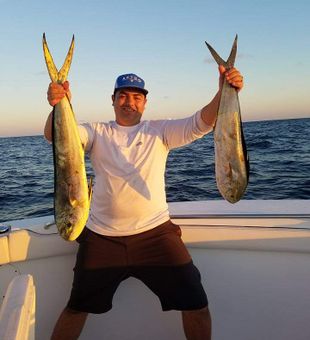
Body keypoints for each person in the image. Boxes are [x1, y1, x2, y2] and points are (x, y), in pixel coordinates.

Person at [44, 66, 244, 340]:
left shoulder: (160, 131)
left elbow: (203, 122)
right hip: (103, 238)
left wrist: (223, 91)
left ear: (145, 102)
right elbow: (57, 137)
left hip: (155, 235)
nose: (130, 102)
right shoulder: (96, 132)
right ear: (113, 100)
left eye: (137, 97)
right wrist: (58, 104)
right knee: (76, 309)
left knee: (197, 304)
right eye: (123, 96)